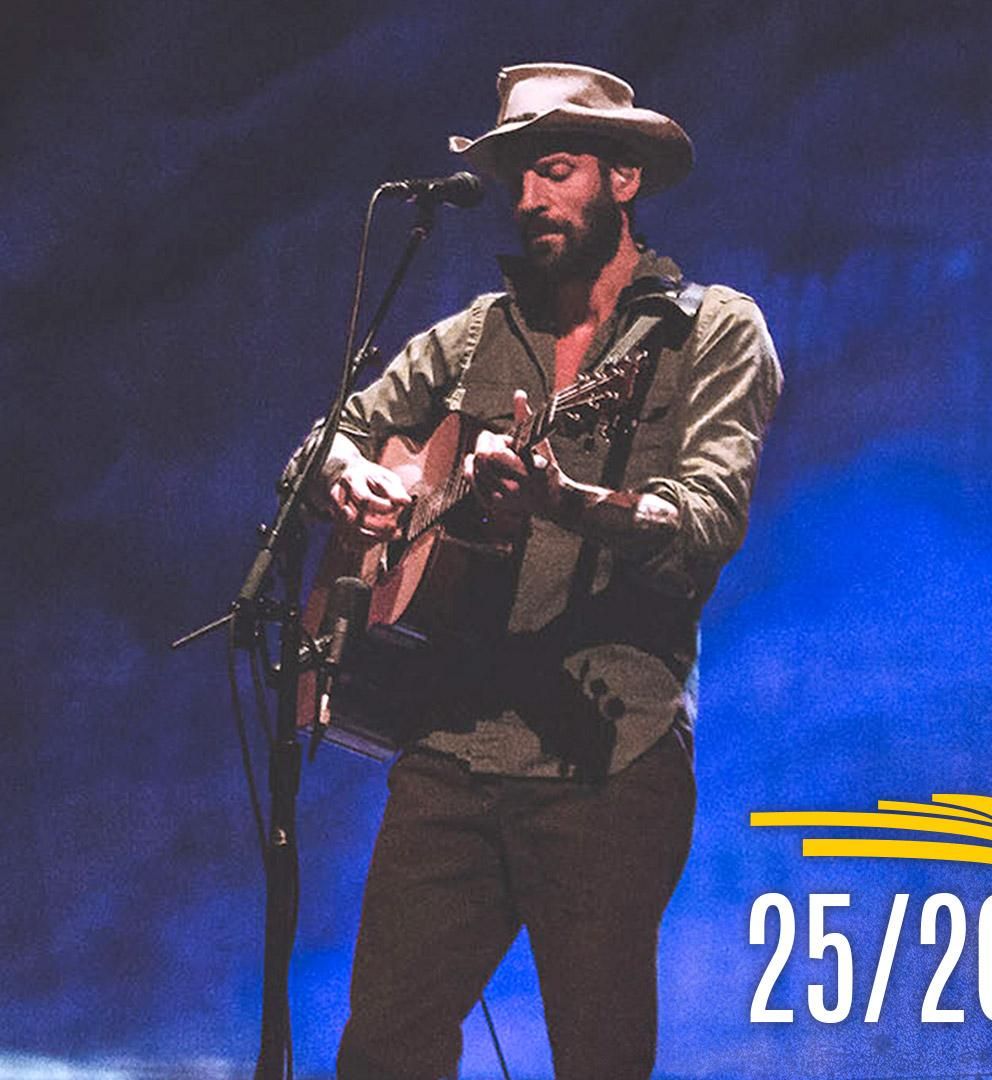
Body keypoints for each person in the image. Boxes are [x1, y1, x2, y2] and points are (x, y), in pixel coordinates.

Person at [302, 63, 783, 1080]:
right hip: (449, 746)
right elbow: (326, 437)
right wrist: (349, 476)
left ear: (623, 178)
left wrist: (564, 500)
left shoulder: (709, 330)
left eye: (554, 170)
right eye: (516, 176)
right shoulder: (478, 332)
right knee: (381, 1049)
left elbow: (706, 522)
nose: (527, 199)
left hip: (607, 758)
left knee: (598, 1059)